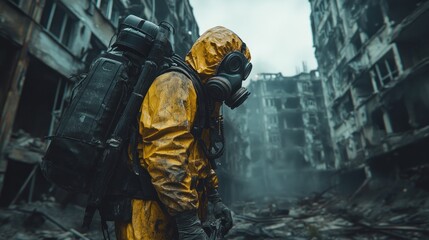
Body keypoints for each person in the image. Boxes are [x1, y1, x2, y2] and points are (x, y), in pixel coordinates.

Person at [114, 26, 252, 240]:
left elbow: (199, 157)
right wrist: (188, 222)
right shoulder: (175, 84)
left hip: (171, 213)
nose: (237, 82)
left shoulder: (199, 95)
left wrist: (215, 199)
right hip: (149, 214)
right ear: (215, 61)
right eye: (234, 68)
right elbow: (165, 157)